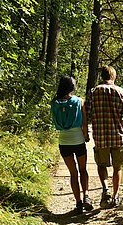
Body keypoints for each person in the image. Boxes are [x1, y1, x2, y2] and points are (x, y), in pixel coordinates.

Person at [86, 65, 123, 208]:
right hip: (118, 136)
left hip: (100, 136)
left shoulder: (93, 92)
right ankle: (115, 196)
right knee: (117, 167)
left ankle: (105, 190)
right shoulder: (122, 92)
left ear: (102, 77)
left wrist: (85, 131)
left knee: (101, 165)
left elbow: (88, 114)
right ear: (113, 77)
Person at [51, 76, 93, 214]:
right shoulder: (79, 101)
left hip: (63, 142)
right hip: (78, 141)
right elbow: (84, 123)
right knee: (83, 170)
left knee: (73, 173)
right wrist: (86, 136)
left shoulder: (55, 103)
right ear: (72, 87)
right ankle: (86, 195)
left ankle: (78, 204)